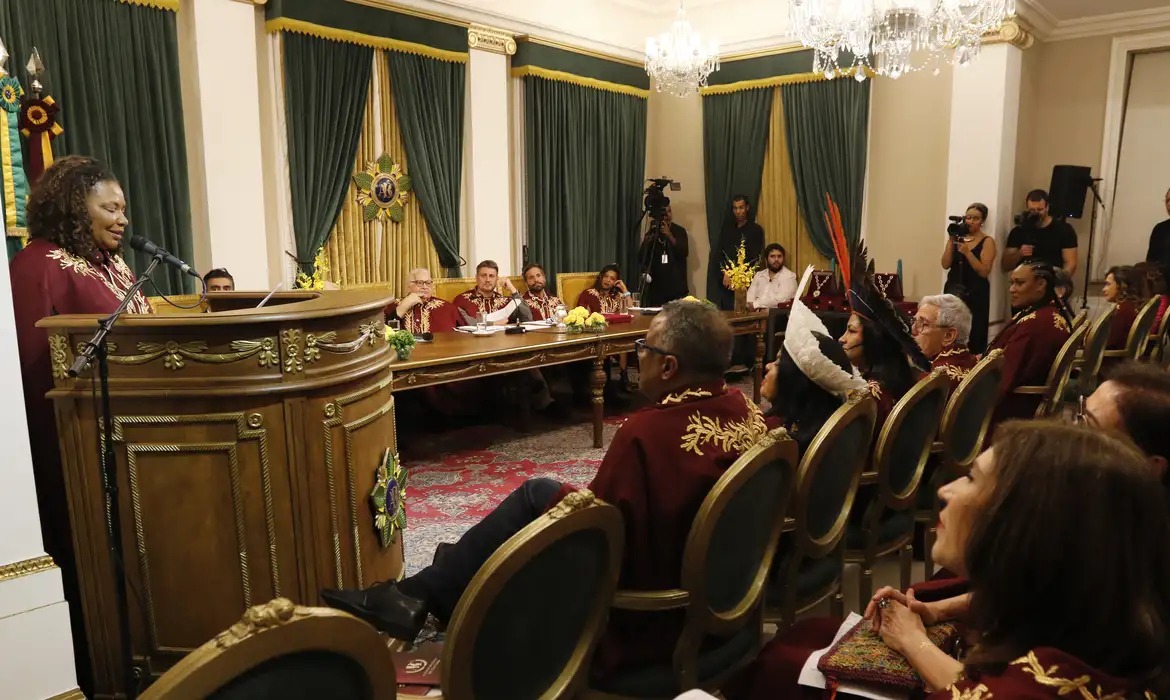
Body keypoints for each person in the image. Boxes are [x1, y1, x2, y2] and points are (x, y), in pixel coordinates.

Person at [321, 301, 769, 683]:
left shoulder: (648, 433)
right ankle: (438, 579)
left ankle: (420, 591)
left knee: (535, 496)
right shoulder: (742, 407)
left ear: (669, 367)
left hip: (649, 616)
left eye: (643, 350)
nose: (639, 358)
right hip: (723, 589)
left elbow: (595, 524)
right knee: (525, 506)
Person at [726, 423, 1170, 699]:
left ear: (1025, 531)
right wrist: (937, 611)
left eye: (973, 479)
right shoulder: (1099, 615)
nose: (946, 490)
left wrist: (914, 641)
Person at [10, 155, 156, 695]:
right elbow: (31, 366)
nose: (122, 219)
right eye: (109, 207)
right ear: (76, 205)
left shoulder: (111, 262)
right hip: (78, 450)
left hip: (142, 439)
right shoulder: (36, 265)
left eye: (124, 209)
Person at [764, 266, 868, 456]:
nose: (767, 365)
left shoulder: (775, 439)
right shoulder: (823, 428)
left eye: (779, 362)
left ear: (795, 381)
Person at [985, 261, 1071, 428]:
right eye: (1012, 283)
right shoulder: (1048, 313)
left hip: (1013, 411)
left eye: (1020, 283)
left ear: (1041, 285)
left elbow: (1003, 380)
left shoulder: (1036, 324)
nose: (1012, 289)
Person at [941, 203, 995, 353]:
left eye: (975, 218)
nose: (970, 221)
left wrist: (967, 253)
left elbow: (984, 271)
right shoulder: (958, 238)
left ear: (982, 221)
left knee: (975, 331)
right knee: (951, 326)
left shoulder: (987, 241)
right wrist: (951, 241)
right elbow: (945, 264)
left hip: (975, 291)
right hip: (954, 287)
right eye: (968, 217)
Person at [1002, 189, 1078, 275]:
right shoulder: (1019, 231)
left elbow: (1070, 264)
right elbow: (1006, 265)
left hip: (1051, 280)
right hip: (1026, 282)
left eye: (1039, 209)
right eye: (1032, 210)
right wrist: (1020, 254)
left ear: (1047, 208)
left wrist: (1060, 283)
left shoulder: (1064, 229)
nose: (1036, 213)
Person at [912, 294, 978, 392]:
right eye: (913, 321)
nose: (913, 330)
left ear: (949, 336)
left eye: (924, 324)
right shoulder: (970, 361)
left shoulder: (934, 381)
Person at [714, 194, 765, 311]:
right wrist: (725, 273)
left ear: (747, 208)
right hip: (727, 282)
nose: (738, 211)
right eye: (735, 208)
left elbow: (755, 257)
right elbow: (720, 254)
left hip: (747, 282)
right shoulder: (726, 229)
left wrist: (741, 276)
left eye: (741, 208)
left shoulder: (755, 230)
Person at [638, 204, 689, 306]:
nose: (667, 215)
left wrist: (669, 235)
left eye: (669, 211)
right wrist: (647, 241)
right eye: (664, 213)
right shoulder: (652, 231)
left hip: (676, 285)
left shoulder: (679, 231)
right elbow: (642, 257)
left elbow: (684, 252)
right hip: (656, 288)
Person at [453, 260, 532, 326]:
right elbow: (463, 323)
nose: (487, 280)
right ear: (476, 278)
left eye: (491, 276)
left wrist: (512, 289)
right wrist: (493, 324)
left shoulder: (504, 301)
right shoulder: (462, 300)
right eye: (483, 275)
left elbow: (527, 317)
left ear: (497, 279)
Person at [384, 267, 460, 334]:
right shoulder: (392, 306)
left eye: (428, 283)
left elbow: (463, 333)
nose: (425, 287)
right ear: (408, 286)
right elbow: (384, 334)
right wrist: (403, 307)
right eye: (419, 283)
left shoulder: (447, 308)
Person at [1100, 265, 1145, 373]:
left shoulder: (1122, 312)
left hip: (1111, 368)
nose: (1104, 289)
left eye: (1108, 284)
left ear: (1122, 286)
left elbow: (1106, 343)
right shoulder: (1130, 307)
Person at [747, 243, 798, 310]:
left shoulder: (790, 276)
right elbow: (750, 296)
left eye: (779, 256)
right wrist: (749, 306)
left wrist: (755, 305)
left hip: (776, 316)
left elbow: (781, 299)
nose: (776, 259)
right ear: (766, 259)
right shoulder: (759, 275)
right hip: (754, 314)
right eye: (772, 256)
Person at [1146, 186, 1170, 282]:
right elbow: (1151, 262)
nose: (1169, 204)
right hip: (1162, 286)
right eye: (1167, 201)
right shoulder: (1160, 229)